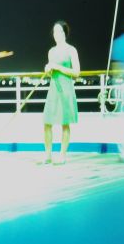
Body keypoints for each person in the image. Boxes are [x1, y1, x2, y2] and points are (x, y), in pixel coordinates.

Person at [42, 20, 80, 165]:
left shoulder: (71, 50)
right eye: (55, 32)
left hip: (66, 89)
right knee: (47, 122)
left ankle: (62, 155)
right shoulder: (51, 51)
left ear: (65, 33)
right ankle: (48, 154)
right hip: (53, 89)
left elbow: (76, 72)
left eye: (60, 31)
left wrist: (57, 67)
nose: (57, 34)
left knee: (65, 123)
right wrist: (48, 69)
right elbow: (52, 73)